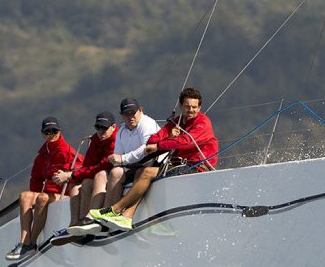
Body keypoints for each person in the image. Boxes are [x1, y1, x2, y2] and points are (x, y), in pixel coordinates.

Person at [88, 87, 217, 231]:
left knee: (147, 172)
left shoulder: (203, 122)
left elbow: (187, 141)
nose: (191, 110)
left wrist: (159, 145)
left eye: (194, 107)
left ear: (200, 107)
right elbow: (153, 139)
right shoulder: (177, 122)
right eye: (187, 106)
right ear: (181, 106)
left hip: (198, 166)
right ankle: (127, 217)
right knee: (142, 172)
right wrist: (166, 138)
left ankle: (115, 209)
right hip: (176, 165)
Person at [68, 98, 159, 237]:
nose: (130, 116)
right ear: (121, 115)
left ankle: (102, 218)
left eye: (133, 112)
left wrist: (122, 159)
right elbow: (116, 159)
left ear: (141, 111)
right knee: (108, 174)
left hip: (151, 164)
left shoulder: (147, 124)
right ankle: (101, 219)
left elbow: (146, 150)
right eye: (126, 114)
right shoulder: (122, 131)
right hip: (133, 166)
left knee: (107, 173)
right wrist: (120, 160)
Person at [6, 116, 78, 261]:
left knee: (43, 197)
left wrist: (68, 177)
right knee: (25, 196)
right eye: (47, 132)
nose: (51, 134)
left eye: (54, 131)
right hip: (47, 194)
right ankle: (24, 242)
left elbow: (80, 172)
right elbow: (36, 180)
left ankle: (31, 243)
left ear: (59, 131)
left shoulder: (69, 152)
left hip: (64, 194)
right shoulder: (42, 156)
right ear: (42, 134)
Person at [52, 111, 118, 228]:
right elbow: (88, 165)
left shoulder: (117, 139)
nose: (100, 131)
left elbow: (104, 165)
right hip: (100, 174)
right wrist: (71, 176)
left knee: (98, 174)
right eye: (98, 127)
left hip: (113, 173)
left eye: (104, 128)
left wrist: (70, 175)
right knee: (79, 183)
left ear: (113, 127)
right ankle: (76, 223)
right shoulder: (95, 139)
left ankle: (91, 217)